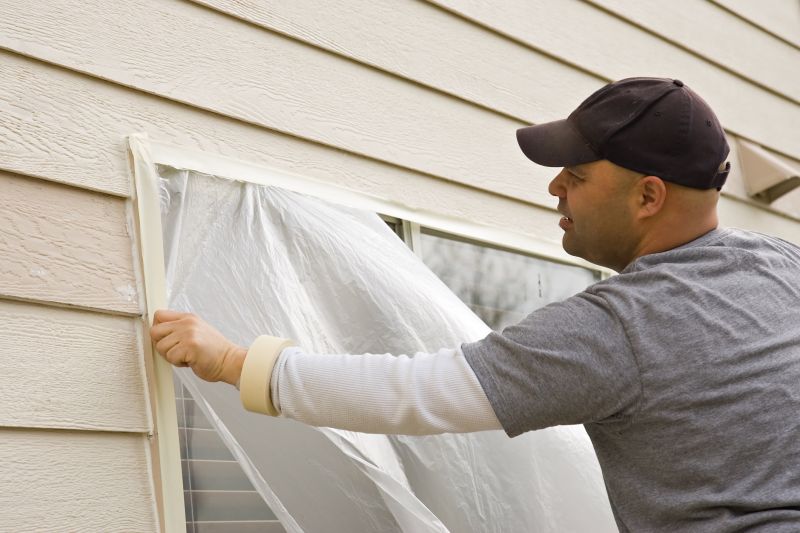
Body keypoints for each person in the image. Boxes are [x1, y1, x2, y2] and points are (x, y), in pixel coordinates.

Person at [150, 77, 800, 532]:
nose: (554, 187)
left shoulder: (623, 325)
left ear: (648, 197)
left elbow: (418, 392)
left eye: (575, 176)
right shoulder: (782, 267)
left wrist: (235, 360)